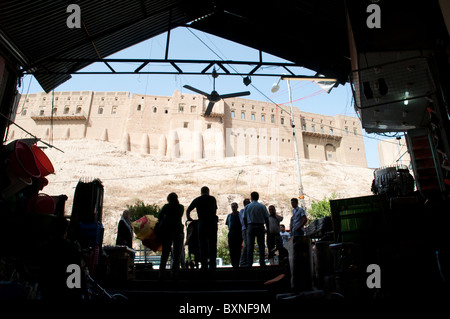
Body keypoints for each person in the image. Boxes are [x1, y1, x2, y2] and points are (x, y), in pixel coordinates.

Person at [186, 186, 218, 271]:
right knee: (212, 244)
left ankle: (204, 265)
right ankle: (212, 264)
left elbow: (188, 210)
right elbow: (215, 210)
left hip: (202, 224)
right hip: (212, 224)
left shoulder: (198, 199)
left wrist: (189, 218)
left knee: (202, 245)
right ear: (208, 191)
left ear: (201, 192)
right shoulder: (212, 199)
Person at [157, 192, 185, 279]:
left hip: (167, 232)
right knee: (177, 254)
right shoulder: (181, 207)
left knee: (165, 253)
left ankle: (162, 273)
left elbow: (159, 216)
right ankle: (175, 273)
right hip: (178, 231)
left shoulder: (166, 207)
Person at [243, 192, 269, 267]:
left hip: (251, 226)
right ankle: (262, 262)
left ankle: (249, 263)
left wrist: (247, 227)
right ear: (258, 197)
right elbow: (266, 218)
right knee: (261, 244)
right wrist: (267, 227)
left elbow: (244, 218)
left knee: (250, 245)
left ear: (251, 197)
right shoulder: (262, 206)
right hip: (260, 226)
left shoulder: (247, 207)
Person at [289, 197, 311, 291]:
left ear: (296, 203)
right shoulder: (293, 211)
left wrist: (299, 227)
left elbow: (305, 219)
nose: (292, 204)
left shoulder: (300, 210)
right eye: (291, 203)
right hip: (294, 231)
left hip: (298, 231)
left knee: (299, 246)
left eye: (293, 202)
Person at [225, 203, 243, 269]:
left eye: (234, 207)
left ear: (237, 207)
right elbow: (228, 225)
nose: (233, 208)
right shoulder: (229, 216)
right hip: (231, 234)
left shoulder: (240, 215)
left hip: (238, 234)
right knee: (232, 250)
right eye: (232, 207)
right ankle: (233, 264)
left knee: (238, 250)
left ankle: (237, 264)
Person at [239, 198, 251, 267]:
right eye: (247, 203)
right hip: (245, 229)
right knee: (246, 244)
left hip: (249, 229)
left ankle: (247, 261)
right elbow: (243, 221)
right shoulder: (242, 211)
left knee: (249, 245)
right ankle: (243, 261)